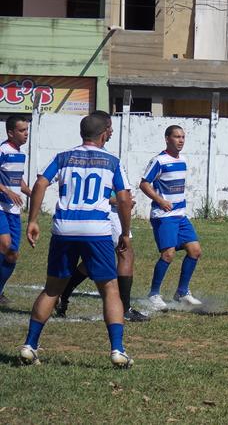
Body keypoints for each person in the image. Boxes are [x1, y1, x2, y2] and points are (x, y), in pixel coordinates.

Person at [19, 114, 133, 368]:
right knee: (110, 290)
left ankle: (29, 345)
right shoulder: (112, 162)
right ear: (103, 134)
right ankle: (118, 350)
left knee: (52, 289)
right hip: (96, 230)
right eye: (109, 131)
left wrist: (33, 220)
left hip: (64, 229)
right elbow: (124, 199)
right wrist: (125, 232)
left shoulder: (63, 157)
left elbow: (40, 183)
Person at [55, 110, 149, 322]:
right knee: (125, 253)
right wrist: (118, 200)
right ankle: (124, 308)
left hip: (105, 214)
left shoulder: (98, 154)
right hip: (105, 215)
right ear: (103, 130)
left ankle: (64, 291)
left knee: (93, 260)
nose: (112, 130)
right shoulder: (102, 157)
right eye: (110, 127)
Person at [140, 125, 202, 310]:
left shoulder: (183, 160)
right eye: (177, 137)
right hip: (163, 216)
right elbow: (144, 184)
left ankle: (182, 292)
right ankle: (153, 294)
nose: (181, 140)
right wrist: (160, 200)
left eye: (183, 137)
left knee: (195, 251)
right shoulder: (159, 161)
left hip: (180, 215)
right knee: (168, 254)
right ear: (167, 138)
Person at [0, 115, 32, 305]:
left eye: (27, 130)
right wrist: (6, 191)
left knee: (12, 254)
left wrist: (32, 192)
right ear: (11, 133)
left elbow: (16, 178)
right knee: (5, 244)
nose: (26, 133)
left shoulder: (20, 153)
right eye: (22, 130)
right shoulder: (2, 150)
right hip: (0, 206)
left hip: (13, 210)